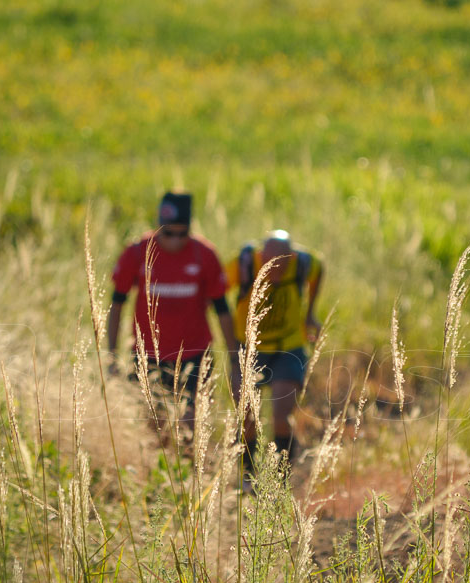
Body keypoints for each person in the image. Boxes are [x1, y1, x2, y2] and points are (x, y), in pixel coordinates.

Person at [107, 192, 238, 430]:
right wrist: (112, 355)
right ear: (158, 227)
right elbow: (116, 305)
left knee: (189, 428)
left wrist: (234, 359)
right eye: (168, 233)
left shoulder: (204, 254)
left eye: (183, 233)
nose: (176, 240)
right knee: (152, 428)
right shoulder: (137, 253)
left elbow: (223, 310)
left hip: (195, 354)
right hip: (148, 355)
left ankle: (190, 464)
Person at [226, 230, 323, 481]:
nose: (275, 269)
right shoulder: (244, 264)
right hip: (249, 350)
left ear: (291, 258)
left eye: (282, 262)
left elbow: (318, 269)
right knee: (247, 418)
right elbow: (215, 290)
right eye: (269, 261)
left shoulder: (302, 263)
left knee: (281, 417)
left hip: (288, 349)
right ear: (261, 256)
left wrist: (310, 312)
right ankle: (249, 476)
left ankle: (281, 480)